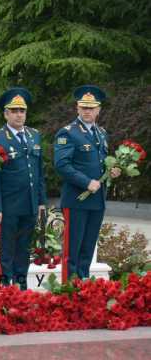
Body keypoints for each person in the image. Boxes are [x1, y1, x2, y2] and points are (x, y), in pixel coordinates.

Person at [54, 85, 120, 282]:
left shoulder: (101, 133)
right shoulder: (68, 133)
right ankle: (69, 292)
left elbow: (99, 164)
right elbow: (62, 165)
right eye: (84, 107)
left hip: (97, 201)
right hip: (76, 201)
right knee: (72, 252)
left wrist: (111, 172)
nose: (87, 111)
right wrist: (86, 182)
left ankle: (83, 289)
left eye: (91, 108)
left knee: (87, 251)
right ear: (77, 108)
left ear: (98, 110)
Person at [0, 88, 46, 290]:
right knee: (7, 251)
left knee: (23, 249)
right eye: (14, 110)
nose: (19, 114)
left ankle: (20, 288)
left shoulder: (34, 136)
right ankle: (4, 290)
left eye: (22, 110)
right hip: (8, 206)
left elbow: (39, 172)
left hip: (29, 204)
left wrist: (41, 201)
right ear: (6, 114)